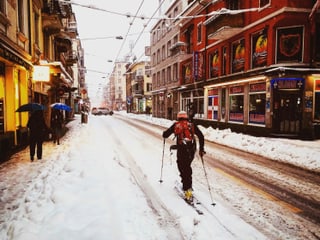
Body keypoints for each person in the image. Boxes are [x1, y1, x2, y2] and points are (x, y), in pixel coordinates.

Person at [162, 110, 205, 201]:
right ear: (186, 117)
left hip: (182, 150)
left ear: (178, 117)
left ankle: (187, 188)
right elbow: (201, 136)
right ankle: (188, 185)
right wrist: (201, 149)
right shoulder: (191, 125)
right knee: (187, 167)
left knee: (182, 167)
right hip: (191, 149)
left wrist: (164, 134)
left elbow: (165, 134)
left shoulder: (176, 125)